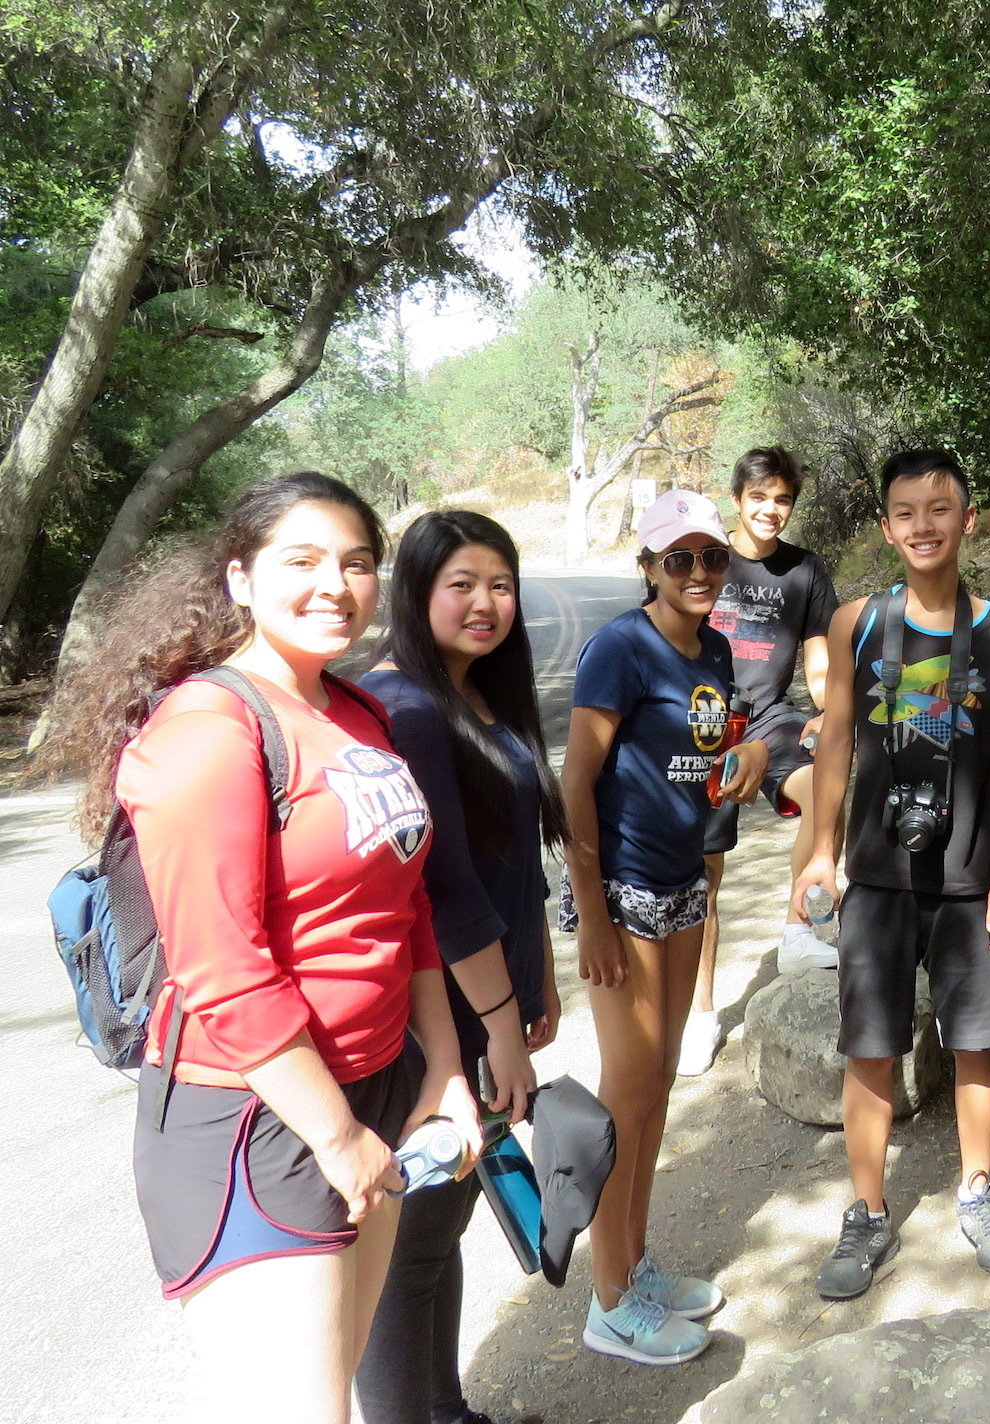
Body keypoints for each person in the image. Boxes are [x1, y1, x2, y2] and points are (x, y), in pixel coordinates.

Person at [40, 472, 480, 1424]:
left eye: (359, 563)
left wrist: (442, 1066)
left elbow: (407, 912)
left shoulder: (355, 715)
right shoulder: (207, 729)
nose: (338, 584)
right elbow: (222, 968)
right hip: (257, 1122)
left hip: (377, 1090)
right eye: (304, 560)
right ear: (240, 579)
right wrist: (334, 1135)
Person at [792, 448, 990, 1301]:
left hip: (971, 874)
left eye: (940, 509)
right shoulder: (858, 621)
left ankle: (978, 1190)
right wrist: (821, 849)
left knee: (978, 1042)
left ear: (968, 520)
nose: (922, 526)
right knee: (870, 1046)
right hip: (880, 873)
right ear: (886, 525)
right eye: (905, 511)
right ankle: (865, 1209)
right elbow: (837, 739)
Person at [355, 512, 568, 1424]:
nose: (486, 604)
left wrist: (542, 980)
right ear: (416, 591)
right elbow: (444, 894)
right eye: (461, 584)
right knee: (411, 1249)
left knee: (445, 1229)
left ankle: (448, 1410)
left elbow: (514, 860)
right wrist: (498, 1031)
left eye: (500, 584)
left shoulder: (477, 695)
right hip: (438, 1025)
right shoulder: (406, 708)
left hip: (493, 1002)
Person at [559, 489, 766, 1365]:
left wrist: (752, 752)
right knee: (628, 1089)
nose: (698, 574)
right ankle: (609, 1303)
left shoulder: (714, 646)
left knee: (658, 1087)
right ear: (648, 567)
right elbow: (573, 786)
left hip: (684, 884)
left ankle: (635, 1265)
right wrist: (595, 914)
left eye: (710, 558)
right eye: (677, 559)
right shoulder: (621, 647)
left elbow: (715, 745)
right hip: (626, 890)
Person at [681, 447, 839, 1075]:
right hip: (702, 719)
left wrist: (828, 713)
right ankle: (700, 1014)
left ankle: (801, 925)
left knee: (826, 782)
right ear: (736, 500)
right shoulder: (702, 559)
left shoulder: (804, 573)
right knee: (705, 876)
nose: (770, 510)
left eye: (782, 500)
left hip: (770, 718)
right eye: (759, 498)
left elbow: (820, 659)